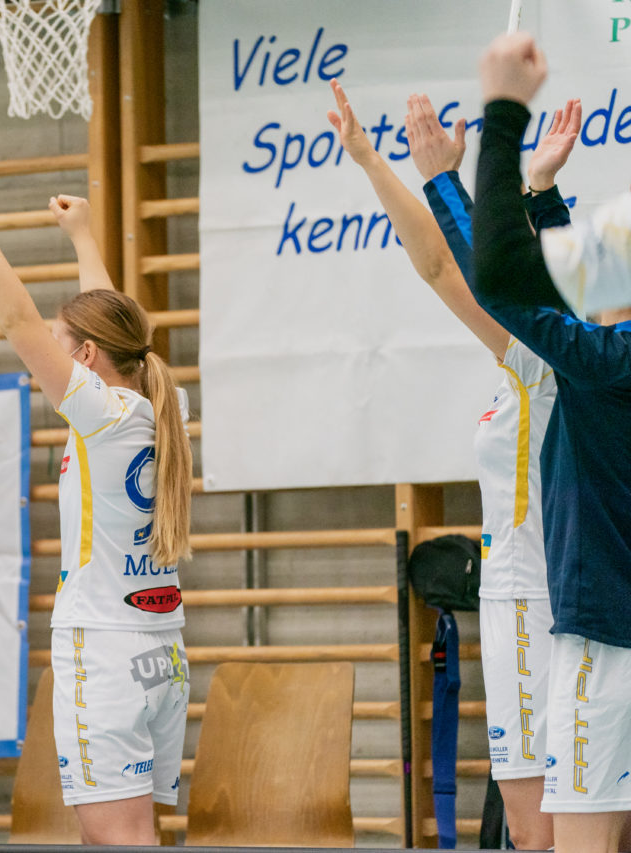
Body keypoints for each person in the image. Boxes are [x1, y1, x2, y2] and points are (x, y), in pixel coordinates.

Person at [328, 78, 580, 850]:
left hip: (538, 601)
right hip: (543, 599)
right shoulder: (553, 357)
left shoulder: (553, 355)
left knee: (544, 835)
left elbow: (453, 269)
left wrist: (439, 177)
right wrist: (373, 162)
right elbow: (442, 266)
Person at [0, 174, 192, 846]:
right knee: (121, 836)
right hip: (162, 653)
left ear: (84, 357)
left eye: (65, 347)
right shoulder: (163, 406)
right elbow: (115, 324)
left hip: (105, 651)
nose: (53, 356)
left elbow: (16, 322)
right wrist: (82, 236)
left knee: (118, 840)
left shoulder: (102, 415)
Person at [474, 32, 631, 853]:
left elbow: (500, 275)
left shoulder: (607, 364)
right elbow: (577, 298)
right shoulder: (609, 356)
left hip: (608, 644)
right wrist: (544, 194)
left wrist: (502, 115)